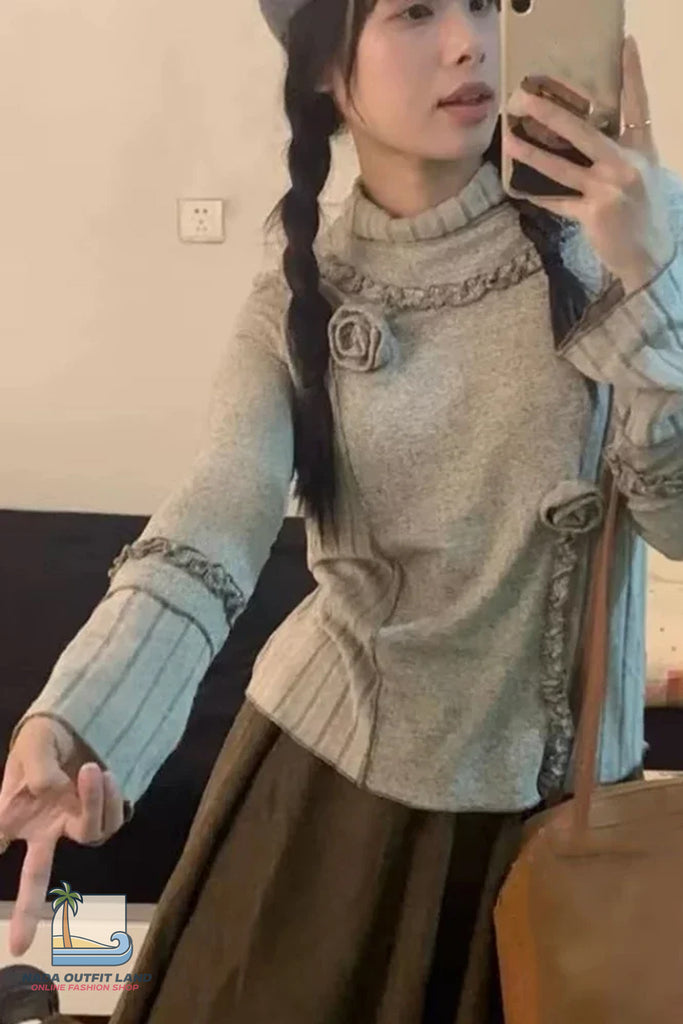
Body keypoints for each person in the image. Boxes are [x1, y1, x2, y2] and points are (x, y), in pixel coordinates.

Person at [1, 1, 682, 1022]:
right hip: (335, 825)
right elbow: (209, 525)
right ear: (325, 65)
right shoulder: (299, 300)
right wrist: (79, 720)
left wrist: (652, 276)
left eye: (482, 3)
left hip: (572, 823)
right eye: (414, 11)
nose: (469, 41)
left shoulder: (623, 242)